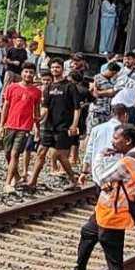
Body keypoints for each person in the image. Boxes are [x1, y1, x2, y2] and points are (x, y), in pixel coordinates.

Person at [69, 123, 135, 270]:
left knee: (114, 261)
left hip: (114, 215)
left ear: (127, 141)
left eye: (116, 138)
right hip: (106, 210)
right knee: (88, 232)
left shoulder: (128, 163)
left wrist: (100, 155)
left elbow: (100, 178)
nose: (112, 141)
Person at [27, 60, 82, 190]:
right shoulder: (49, 87)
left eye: (57, 67)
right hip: (50, 126)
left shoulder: (69, 86)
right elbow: (45, 107)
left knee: (61, 155)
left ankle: (74, 181)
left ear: (62, 69)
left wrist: (74, 125)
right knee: (41, 152)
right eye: (53, 67)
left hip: (63, 126)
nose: (55, 69)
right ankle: (32, 181)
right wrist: (39, 118)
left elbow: (77, 108)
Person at [0, 64, 41, 191]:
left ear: (34, 74)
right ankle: (16, 176)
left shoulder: (36, 92)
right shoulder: (12, 87)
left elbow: (37, 111)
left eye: (31, 72)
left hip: (25, 127)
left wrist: (37, 128)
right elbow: (5, 106)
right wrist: (2, 124)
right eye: (26, 71)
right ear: (22, 73)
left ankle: (8, 182)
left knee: (15, 153)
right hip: (10, 125)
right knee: (7, 153)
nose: (28, 74)